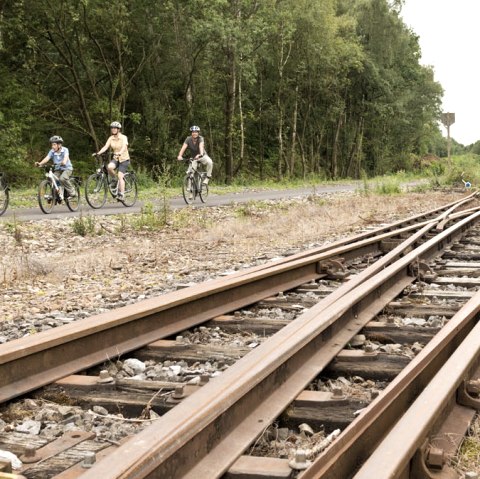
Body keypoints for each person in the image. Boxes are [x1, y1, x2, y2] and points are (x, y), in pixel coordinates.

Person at [93, 121, 130, 201]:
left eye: (115, 128)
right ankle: (114, 179)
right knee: (109, 167)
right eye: (112, 128)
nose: (113, 129)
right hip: (116, 158)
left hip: (124, 159)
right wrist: (98, 153)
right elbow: (105, 147)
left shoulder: (123, 137)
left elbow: (124, 147)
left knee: (120, 175)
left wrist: (120, 152)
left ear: (118, 129)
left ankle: (122, 194)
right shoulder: (111, 138)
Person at [177, 125, 213, 189]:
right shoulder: (188, 139)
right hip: (194, 158)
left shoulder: (200, 138)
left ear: (198, 133)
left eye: (196, 132)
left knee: (210, 162)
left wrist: (200, 154)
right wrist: (180, 155)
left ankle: (207, 178)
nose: (194, 133)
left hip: (202, 156)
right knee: (191, 172)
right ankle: (190, 189)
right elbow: (183, 148)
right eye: (193, 132)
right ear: (191, 133)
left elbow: (201, 146)